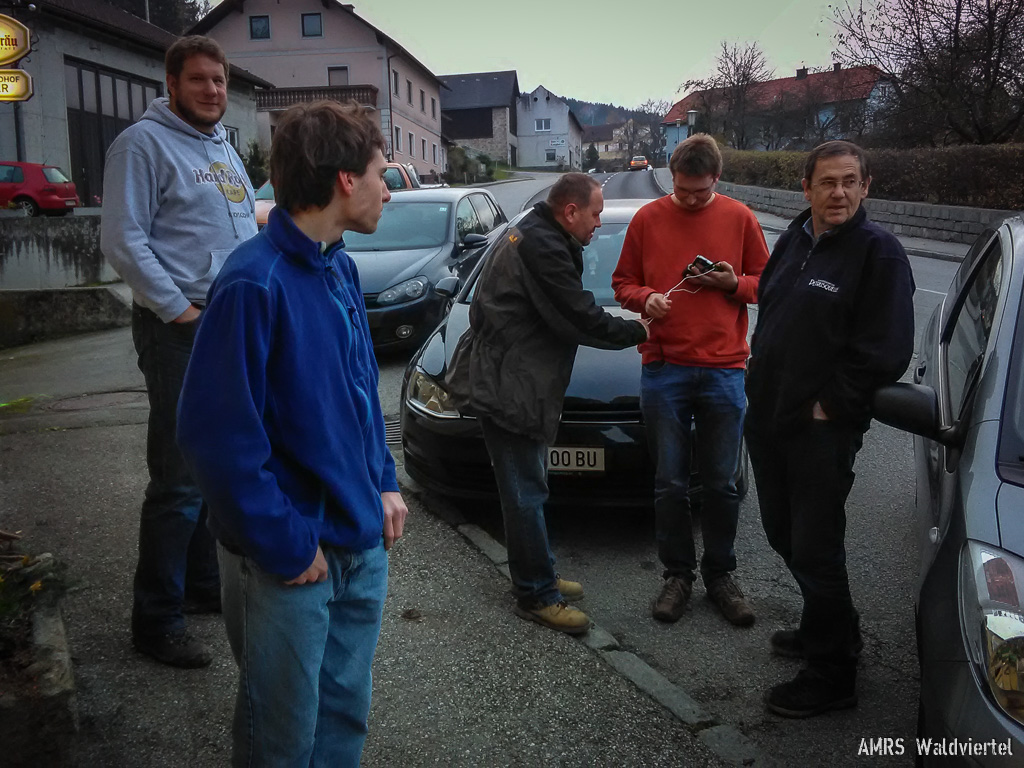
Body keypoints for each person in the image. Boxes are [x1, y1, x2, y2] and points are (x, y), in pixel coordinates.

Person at [176, 100, 408, 765]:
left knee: (342, 720)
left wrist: (385, 482)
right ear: (344, 181)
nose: (386, 189)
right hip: (294, 560)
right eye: (379, 173)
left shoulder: (339, 264)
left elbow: (362, 395)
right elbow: (214, 437)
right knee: (279, 742)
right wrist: (282, 542)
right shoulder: (254, 283)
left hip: (362, 543)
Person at [100, 35, 257, 668]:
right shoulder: (140, 144)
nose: (213, 91)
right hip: (179, 328)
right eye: (199, 81)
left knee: (210, 465)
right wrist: (180, 309)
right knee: (176, 479)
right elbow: (122, 238)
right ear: (171, 84)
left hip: (224, 324)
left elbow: (242, 222)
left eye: (219, 81)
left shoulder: (222, 146)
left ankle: (198, 589)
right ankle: (155, 619)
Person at [744, 140, 915, 718]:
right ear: (807, 188)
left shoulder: (878, 254)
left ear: (865, 187)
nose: (838, 192)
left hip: (820, 429)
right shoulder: (794, 240)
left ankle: (833, 673)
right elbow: (773, 314)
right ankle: (833, 625)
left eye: (849, 182)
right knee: (781, 533)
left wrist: (830, 407)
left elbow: (885, 350)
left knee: (815, 546)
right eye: (827, 182)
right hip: (769, 416)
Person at [446, 173, 648, 635]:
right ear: (570, 211)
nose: (598, 223)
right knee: (524, 493)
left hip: (514, 377)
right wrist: (639, 330)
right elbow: (579, 315)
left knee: (529, 487)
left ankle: (539, 572)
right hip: (511, 385)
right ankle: (537, 594)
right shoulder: (543, 245)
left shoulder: (534, 229)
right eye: (595, 214)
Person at [612, 134, 769, 628]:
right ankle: (677, 576)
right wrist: (645, 299)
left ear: (716, 180)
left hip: (724, 369)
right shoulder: (647, 219)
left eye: (701, 193)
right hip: (664, 368)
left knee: (722, 484)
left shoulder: (740, 218)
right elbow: (622, 283)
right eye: (683, 191)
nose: (691, 200)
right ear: (671, 177)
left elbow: (768, 285)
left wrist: (731, 284)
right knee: (669, 484)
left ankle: (721, 575)